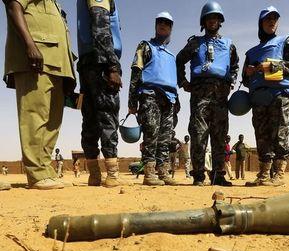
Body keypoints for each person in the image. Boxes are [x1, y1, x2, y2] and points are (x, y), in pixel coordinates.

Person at [3, 0, 76, 190]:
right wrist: (30, 44)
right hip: (37, 59)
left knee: (53, 120)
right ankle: (36, 172)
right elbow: (13, 5)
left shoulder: (55, 4)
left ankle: (45, 169)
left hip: (58, 64)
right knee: (34, 115)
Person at [176, 1, 239, 186]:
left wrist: (232, 82)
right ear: (203, 22)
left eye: (216, 18)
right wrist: (183, 82)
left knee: (220, 134)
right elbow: (179, 60)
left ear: (220, 21)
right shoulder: (195, 43)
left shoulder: (229, 45)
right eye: (209, 18)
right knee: (198, 133)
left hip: (221, 92)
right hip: (199, 92)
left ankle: (218, 175)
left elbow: (234, 65)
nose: (212, 21)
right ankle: (198, 176)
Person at [242, 6, 289, 187]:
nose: (271, 21)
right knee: (262, 136)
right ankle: (263, 174)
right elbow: (245, 80)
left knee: (279, 134)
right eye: (268, 18)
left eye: (275, 18)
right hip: (259, 99)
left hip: (280, 95)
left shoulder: (286, 41)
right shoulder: (251, 52)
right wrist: (250, 72)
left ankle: (279, 174)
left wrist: (267, 67)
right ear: (261, 23)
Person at [128, 12, 179, 186]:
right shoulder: (145, 46)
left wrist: (176, 101)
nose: (163, 25)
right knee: (151, 134)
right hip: (150, 95)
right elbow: (136, 72)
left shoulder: (172, 56)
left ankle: (163, 171)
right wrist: (132, 101)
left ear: (171, 28)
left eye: (167, 23)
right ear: (156, 26)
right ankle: (149, 172)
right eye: (160, 22)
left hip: (169, 99)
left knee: (165, 137)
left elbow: (173, 80)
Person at [77, 0, 123, 187]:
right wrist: (112, 66)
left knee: (90, 119)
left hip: (87, 63)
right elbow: (100, 23)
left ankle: (94, 175)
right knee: (108, 116)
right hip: (101, 63)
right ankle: (111, 175)